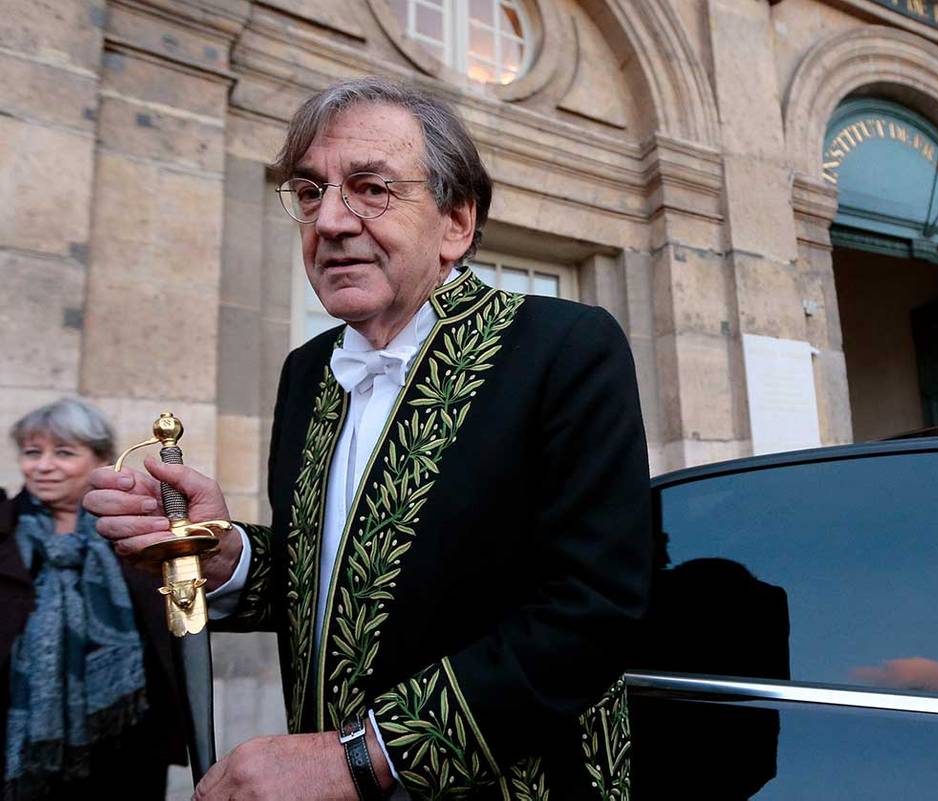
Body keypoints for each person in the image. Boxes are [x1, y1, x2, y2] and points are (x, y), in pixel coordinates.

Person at [85, 77, 652, 801]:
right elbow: (338, 580)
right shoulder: (308, 373)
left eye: (371, 188)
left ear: (455, 221)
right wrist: (227, 557)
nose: (331, 221)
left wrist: (354, 758)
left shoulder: (563, 348)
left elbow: (595, 613)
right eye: (310, 192)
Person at [1, 399, 185, 799]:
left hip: (125, 735)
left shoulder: (137, 529)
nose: (44, 465)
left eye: (64, 453)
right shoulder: (5, 528)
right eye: (33, 453)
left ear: (101, 458)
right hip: (18, 737)